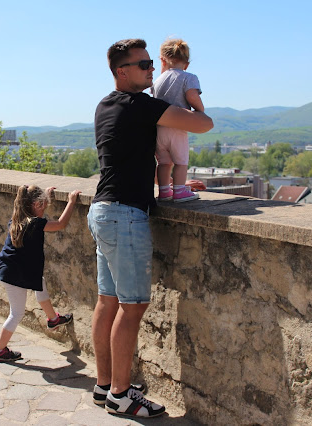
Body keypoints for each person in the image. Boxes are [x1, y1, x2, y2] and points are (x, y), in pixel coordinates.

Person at [87, 38, 213, 417]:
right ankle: (121, 395)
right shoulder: (140, 105)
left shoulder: (105, 105)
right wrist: (188, 89)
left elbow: (128, 156)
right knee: (133, 306)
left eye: (150, 63)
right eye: (143, 65)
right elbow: (204, 124)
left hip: (103, 210)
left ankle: (105, 385)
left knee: (108, 302)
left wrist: (173, 184)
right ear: (122, 71)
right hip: (126, 215)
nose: (152, 70)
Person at [0, 185, 81, 362]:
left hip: (10, 269)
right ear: (35, 204)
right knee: (16, 313)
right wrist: (71, 202)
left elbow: (37, 213)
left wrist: (45, 196)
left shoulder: (18, 219)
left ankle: (53, 319)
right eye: (43, 204)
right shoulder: (35, 224)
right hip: (15, 274)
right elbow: (61, 224)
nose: (45, 207)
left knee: (39, 282)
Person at [152, 38, 205, 202]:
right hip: (177, 127)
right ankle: (180, 191)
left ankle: (164, 191)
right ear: (186, 64)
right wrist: (200, 111)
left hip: (159, 129)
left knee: (163, 163)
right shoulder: (188, 78)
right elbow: (192, 96)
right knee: (181, 161)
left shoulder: (157, 81)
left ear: (163, 60)